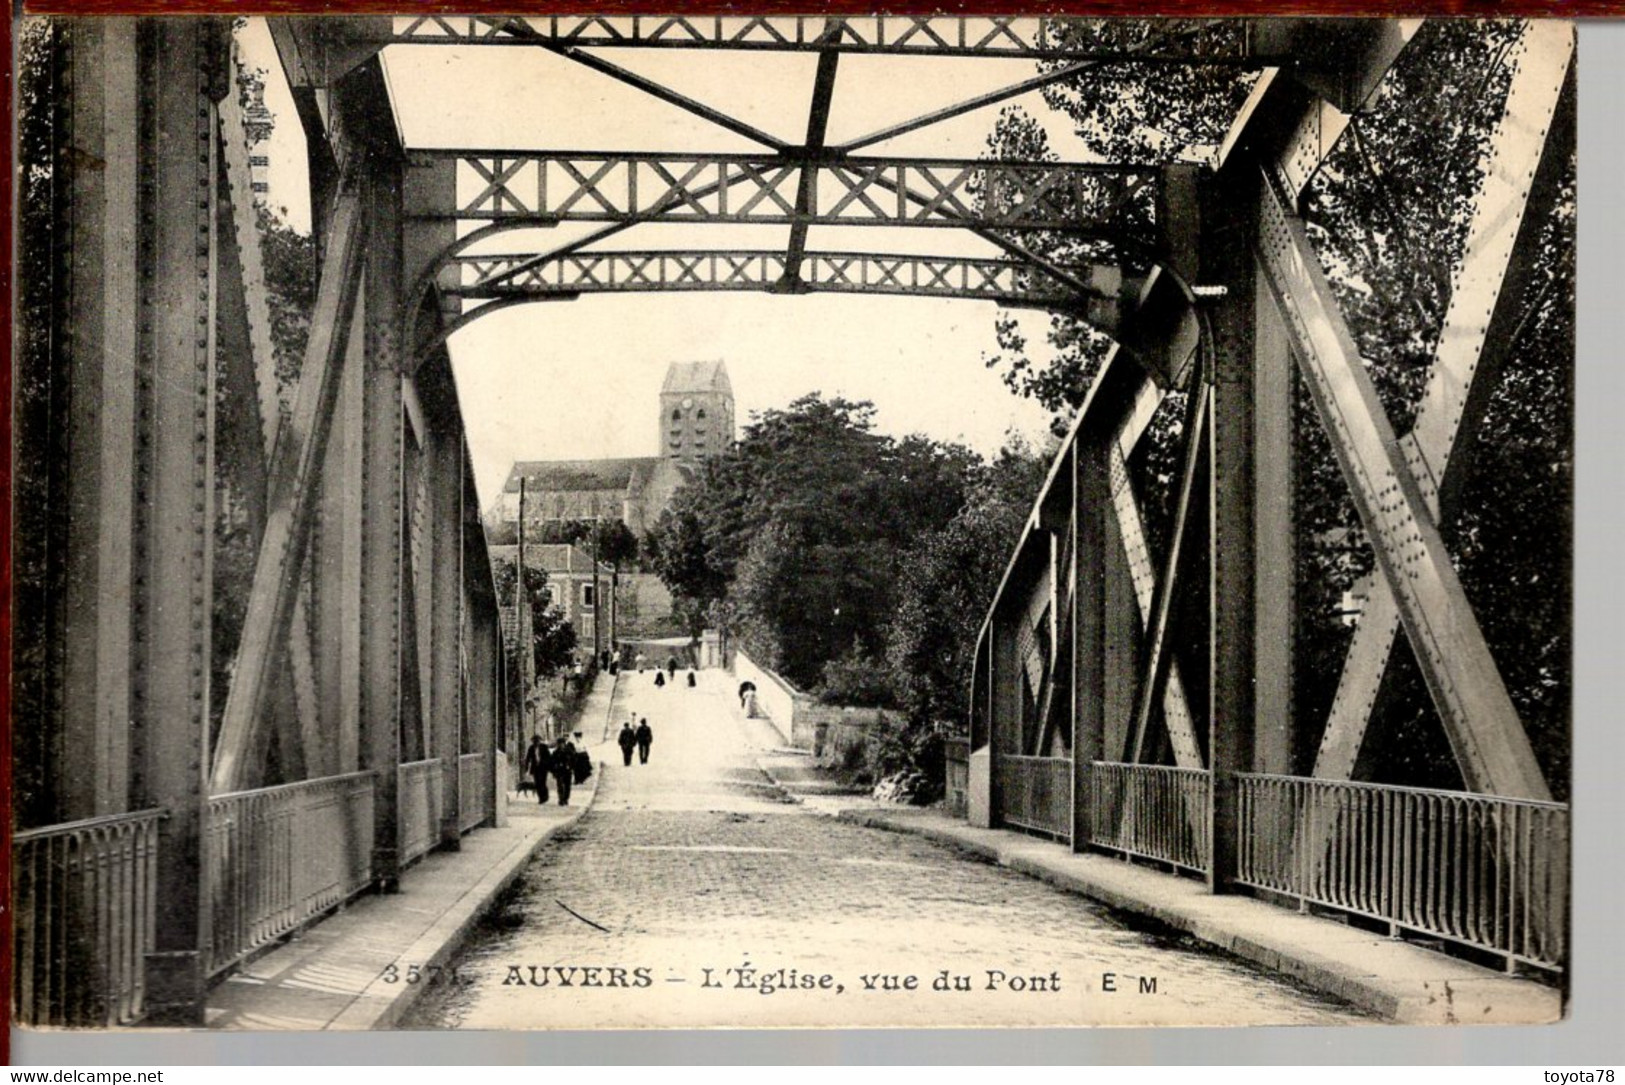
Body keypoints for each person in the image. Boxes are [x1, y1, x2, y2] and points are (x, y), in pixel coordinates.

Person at [521, 735, 551, 805]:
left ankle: (545, 796)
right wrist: (526, 768)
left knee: (543, 782)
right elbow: (528, 758)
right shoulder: (531, 748)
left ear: (539, 741)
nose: (536, 742)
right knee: (537, 783)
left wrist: (548, 765)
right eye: (534, 741)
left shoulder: (544, 747)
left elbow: (548, 757)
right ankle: (541, 798)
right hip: (535, 768)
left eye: (537, 741)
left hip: (543, 768)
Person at [551, 733, 576, 806]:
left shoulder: (569, 751)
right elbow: (552, 762)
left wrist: (572, 768)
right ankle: (561, 799)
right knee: (560, 786)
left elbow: (574, 760)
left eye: (562, 744)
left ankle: (566, 798)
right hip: (559, 771)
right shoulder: (555, 753)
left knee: (567, 786)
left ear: (564, 744)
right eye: (559, 744)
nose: (561, 745)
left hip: (567, 771)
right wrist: (554, 771)